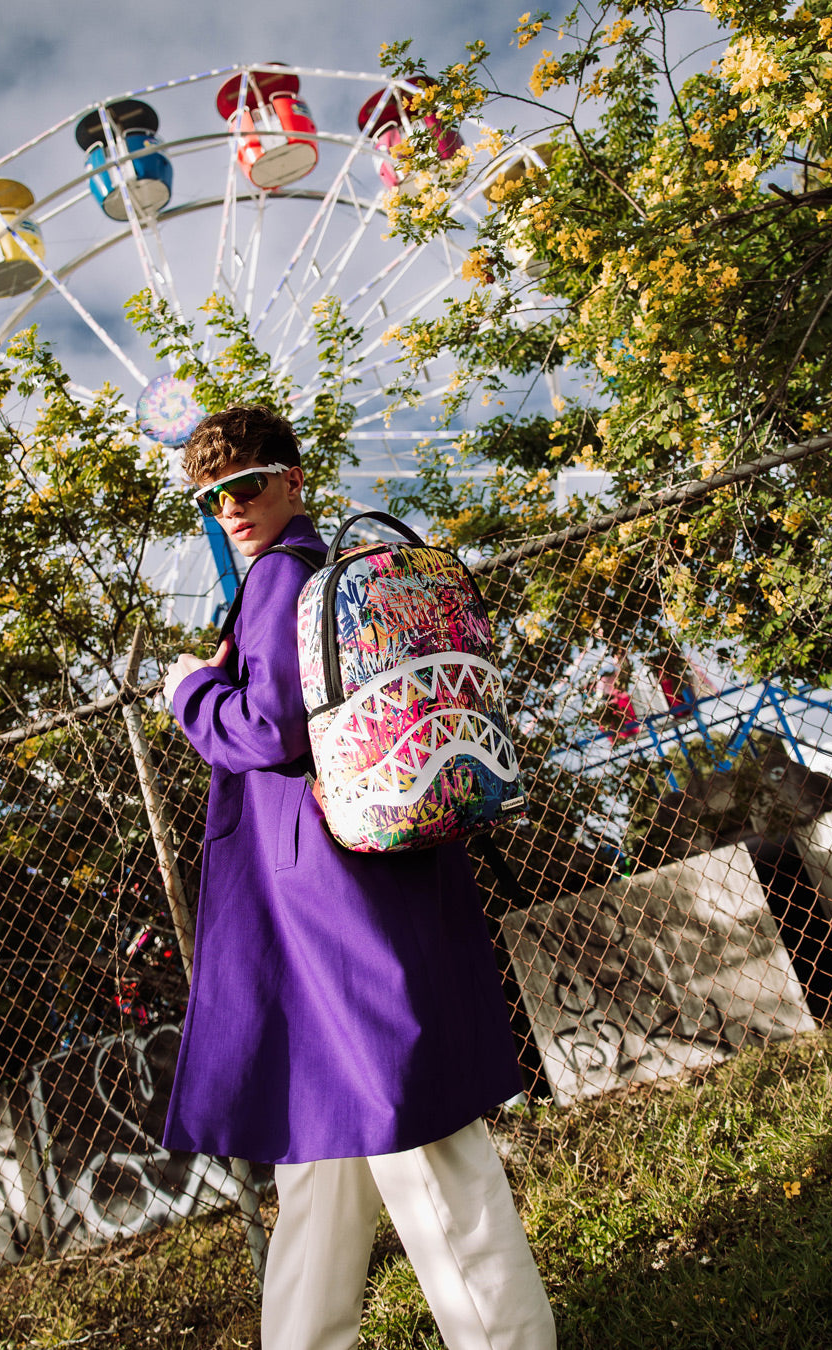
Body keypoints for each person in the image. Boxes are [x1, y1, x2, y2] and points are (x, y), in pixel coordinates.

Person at [161, 404, 557, 1350]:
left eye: (246, 485)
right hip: (355, 884)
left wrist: (189, 690)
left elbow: (267, 730)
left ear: (292, 479)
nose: (230, 509)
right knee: (323, 1155)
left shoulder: (280, 578)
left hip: (327, 904)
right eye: (210, 500)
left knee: (416, 1138)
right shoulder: (321, 573)